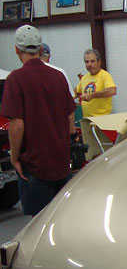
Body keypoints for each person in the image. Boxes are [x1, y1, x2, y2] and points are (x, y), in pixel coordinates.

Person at [0, 25, 76, 216]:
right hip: (61, 162)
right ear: (41, 50)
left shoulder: (15, 79)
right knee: (61, 218)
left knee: (37, 226)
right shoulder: (58, 76)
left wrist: (14, 158)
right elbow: (70, 116)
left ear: (17, 49)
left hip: (34, 166)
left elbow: (17, 124)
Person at [75, 48, 116, 117]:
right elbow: (76, 92)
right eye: (87, 62)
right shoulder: (84, 78)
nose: (89, 64)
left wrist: (92, 95)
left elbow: (112, 91)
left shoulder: (105, 75)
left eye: (92, 61)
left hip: (102, 119)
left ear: (99, 62)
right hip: (87, 120)